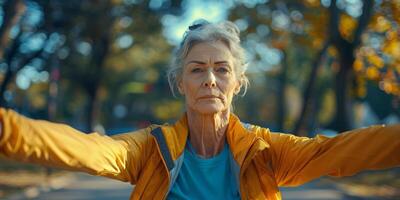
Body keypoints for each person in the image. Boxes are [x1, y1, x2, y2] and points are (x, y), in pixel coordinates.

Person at [0, 20, 399, 200]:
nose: (210, 79)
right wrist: (6, 129)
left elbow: (342, 152)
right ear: (180, 83)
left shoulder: (266, 150)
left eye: (221, 69)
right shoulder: (150, 148)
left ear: (237, 83)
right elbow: (87, 148)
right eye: (197, 69)